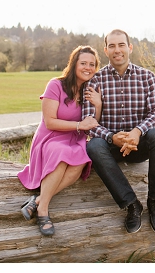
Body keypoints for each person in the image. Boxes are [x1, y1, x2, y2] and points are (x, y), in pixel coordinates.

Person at [84, 29, 155, 233]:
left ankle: (154, 201)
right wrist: (112, 137)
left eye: (121, 45)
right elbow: (88, 121)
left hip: (139, 144)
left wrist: (137, 132)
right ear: (106, 50)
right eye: (112, 46)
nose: (117, 50)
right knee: (94, 146)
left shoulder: (147, 77)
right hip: (111, 148)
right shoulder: (95, 80)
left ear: (129, 47)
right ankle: (131, 204)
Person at [18, 45, 102, 236]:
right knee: (61, 153)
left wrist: (98, 105)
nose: (88, 68)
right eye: (83, 63)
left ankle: (37, 200)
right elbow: (50, 122)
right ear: (74, 64)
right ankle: (43, 210)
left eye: (92, 64)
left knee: (78, 164)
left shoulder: (91, 90)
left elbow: (94, 122)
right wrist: (79, 126)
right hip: (51, 137)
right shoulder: (55, 85)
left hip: (75, 138)